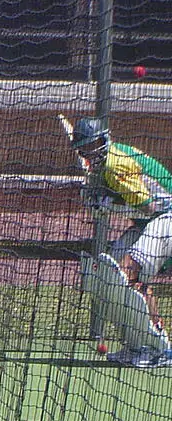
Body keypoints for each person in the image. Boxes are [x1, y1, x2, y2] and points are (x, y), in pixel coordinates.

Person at [70, 117, 172, 366]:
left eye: (93, 145)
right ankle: (136, 345)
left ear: (104, 141)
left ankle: (158, 348)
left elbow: (148, 207)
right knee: (110, 277)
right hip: (149, 221)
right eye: (85, 148)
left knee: (129, 272)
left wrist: (107, 205)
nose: (89, 153)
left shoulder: (116, 165)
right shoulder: (104, 166)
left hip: (166, 217)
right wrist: (100, 198)